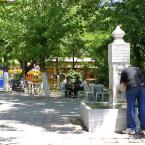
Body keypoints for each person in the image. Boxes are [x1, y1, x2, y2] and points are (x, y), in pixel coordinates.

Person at [119, 66, 145, 135]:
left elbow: (121, 87)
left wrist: (120, 92)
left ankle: (131, 128)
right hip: (143, 86)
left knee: (130, 107)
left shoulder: (124, 71)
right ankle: (144, 129)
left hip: (132, 86)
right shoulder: (137, 68)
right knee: (142, 107)